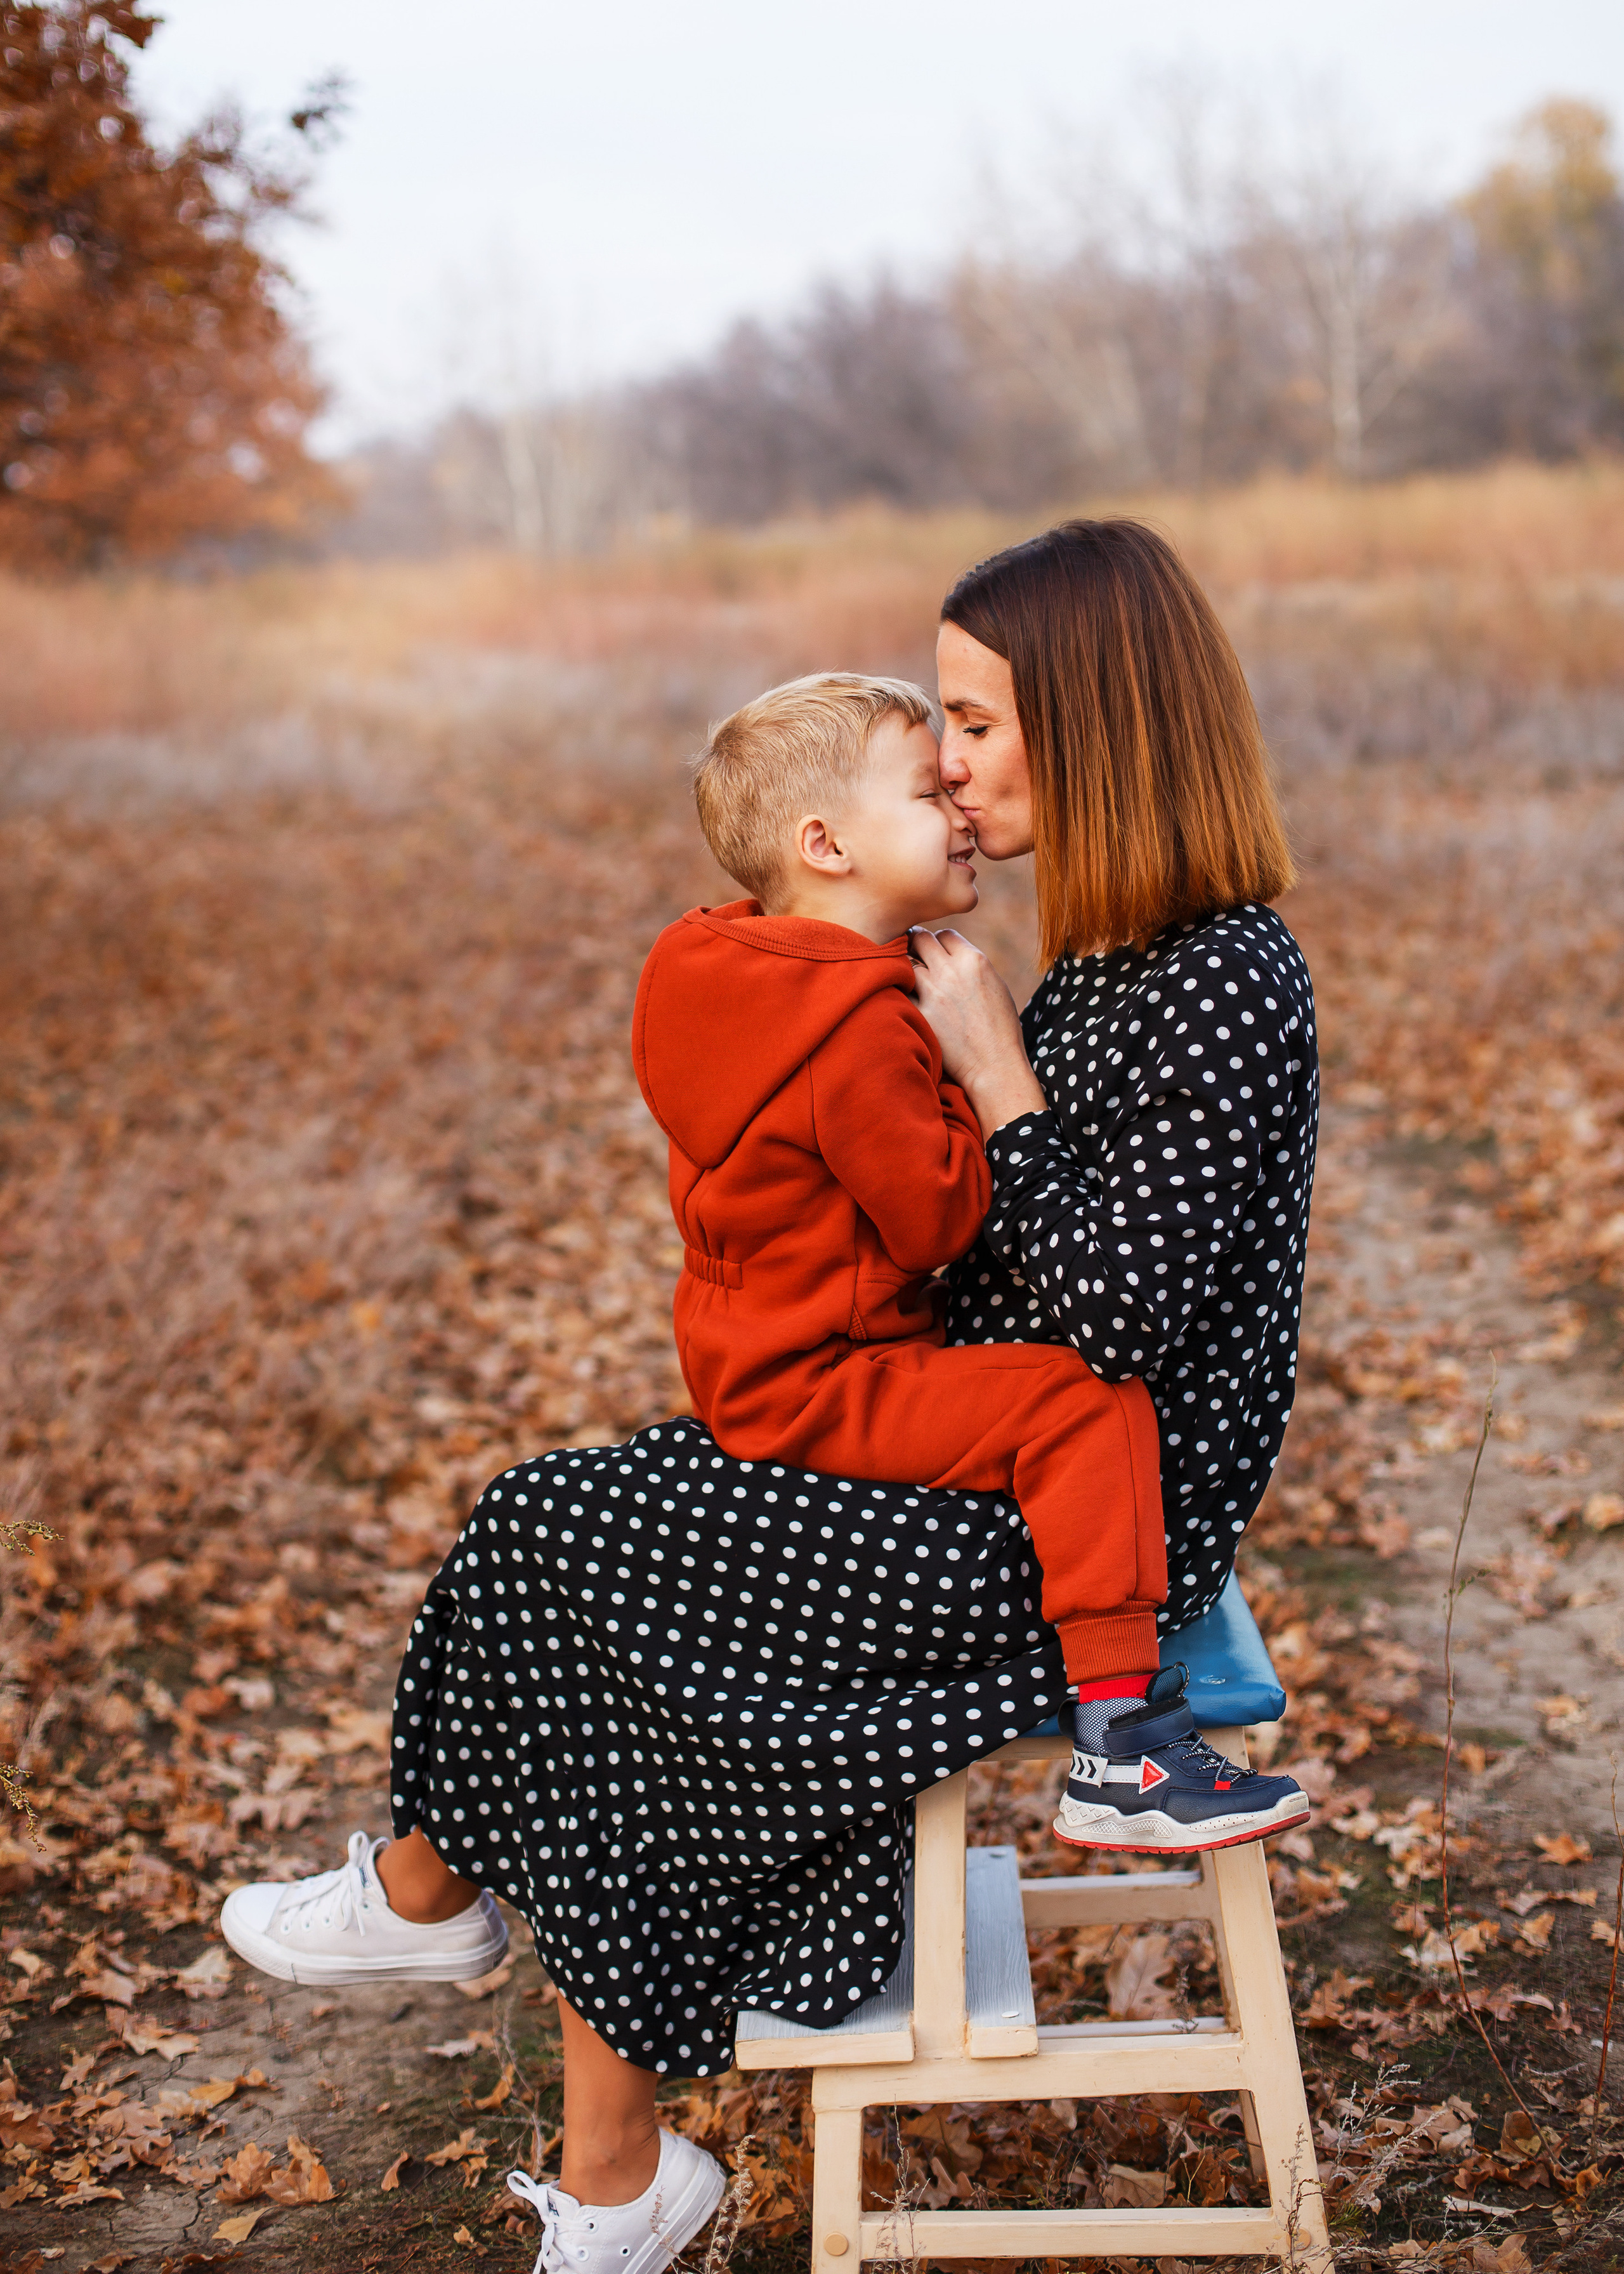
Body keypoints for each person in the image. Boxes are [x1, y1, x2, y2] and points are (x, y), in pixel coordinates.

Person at [217, 518, 1318, 2274]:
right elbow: (989, 1263)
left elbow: (1114, 1315)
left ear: (1101, 722)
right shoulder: (1113, 955)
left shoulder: (1225, 977)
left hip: (1099, 1512)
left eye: (977, 720)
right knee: (559, 1519)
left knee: (584, 1547)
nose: (953, 768)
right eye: (938, 730)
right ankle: (528, 2051)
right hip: (997, 1449)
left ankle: (535, 2056)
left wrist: (990, 1081)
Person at [638, 668, 1178, 1732]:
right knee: (1088, 1403)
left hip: (743, 1358)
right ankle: (1125, 1730)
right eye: (928, 796)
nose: (959, 809)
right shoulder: (858, 1029)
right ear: (827, 846)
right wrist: (980, 1083)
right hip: (830, 1380)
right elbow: (937, 1222)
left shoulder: (715, 973)